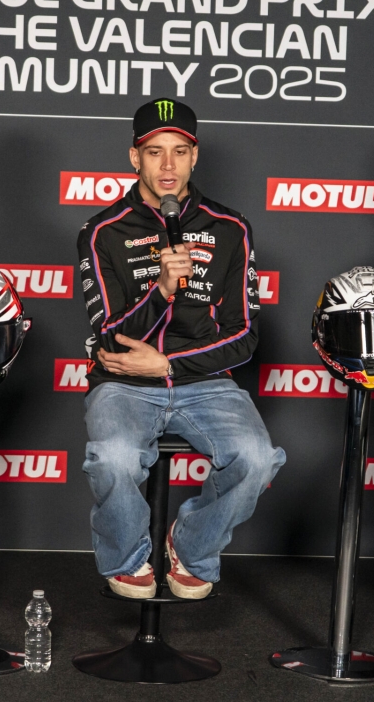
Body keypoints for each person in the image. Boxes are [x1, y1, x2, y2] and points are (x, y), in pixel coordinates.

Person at [76, 97, 286, 600]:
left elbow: (244, 337)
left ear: (195, 156)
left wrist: (170, 362)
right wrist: (161, 292)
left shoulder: (229, 228)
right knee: (114, 458)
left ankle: (191, 546)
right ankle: (129, 558)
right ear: (134, 158)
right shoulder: (102, 231)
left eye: (179, 151)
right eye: (154, 152)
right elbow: (108, 334)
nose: (167, 166)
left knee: (257, 459)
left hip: (205, 384)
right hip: (124, 383)